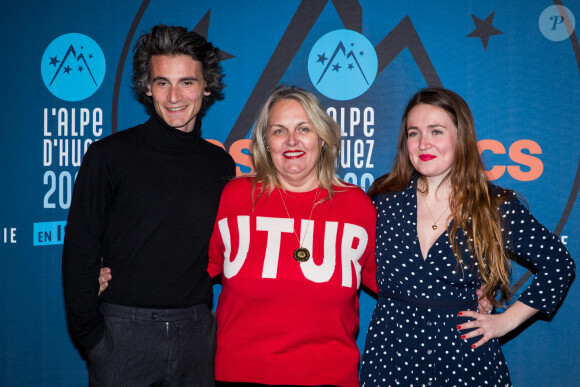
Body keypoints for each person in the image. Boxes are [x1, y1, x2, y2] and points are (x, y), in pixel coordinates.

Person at [360, 87, 575, 386]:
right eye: (413, 133)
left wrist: (505, 322)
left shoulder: (493, 206)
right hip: (391, 353)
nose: (423, 143)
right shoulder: (383, 199)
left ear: (460, 137)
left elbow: (559, 264)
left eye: (436, 131)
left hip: (463, 356)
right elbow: (351, 261)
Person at [62, 24, 235, 386]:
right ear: (147, 87)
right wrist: (95, 341)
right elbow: (80, 251)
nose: (174, 96)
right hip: (122, 337)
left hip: (198, 335)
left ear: (206, 86)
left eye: (186, 82)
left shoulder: (220, 165)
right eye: (162, 83)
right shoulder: (109, 156)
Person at [205, 86, 377, 386]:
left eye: (303, 128)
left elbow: (397, 284)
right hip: (241, 375)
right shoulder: (235, 197)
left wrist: (472, 295)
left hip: (329, 378)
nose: (292, 140)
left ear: (322, 138)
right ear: (265, 142)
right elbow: (189, 270)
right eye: (279, 130)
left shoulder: (356, 205)